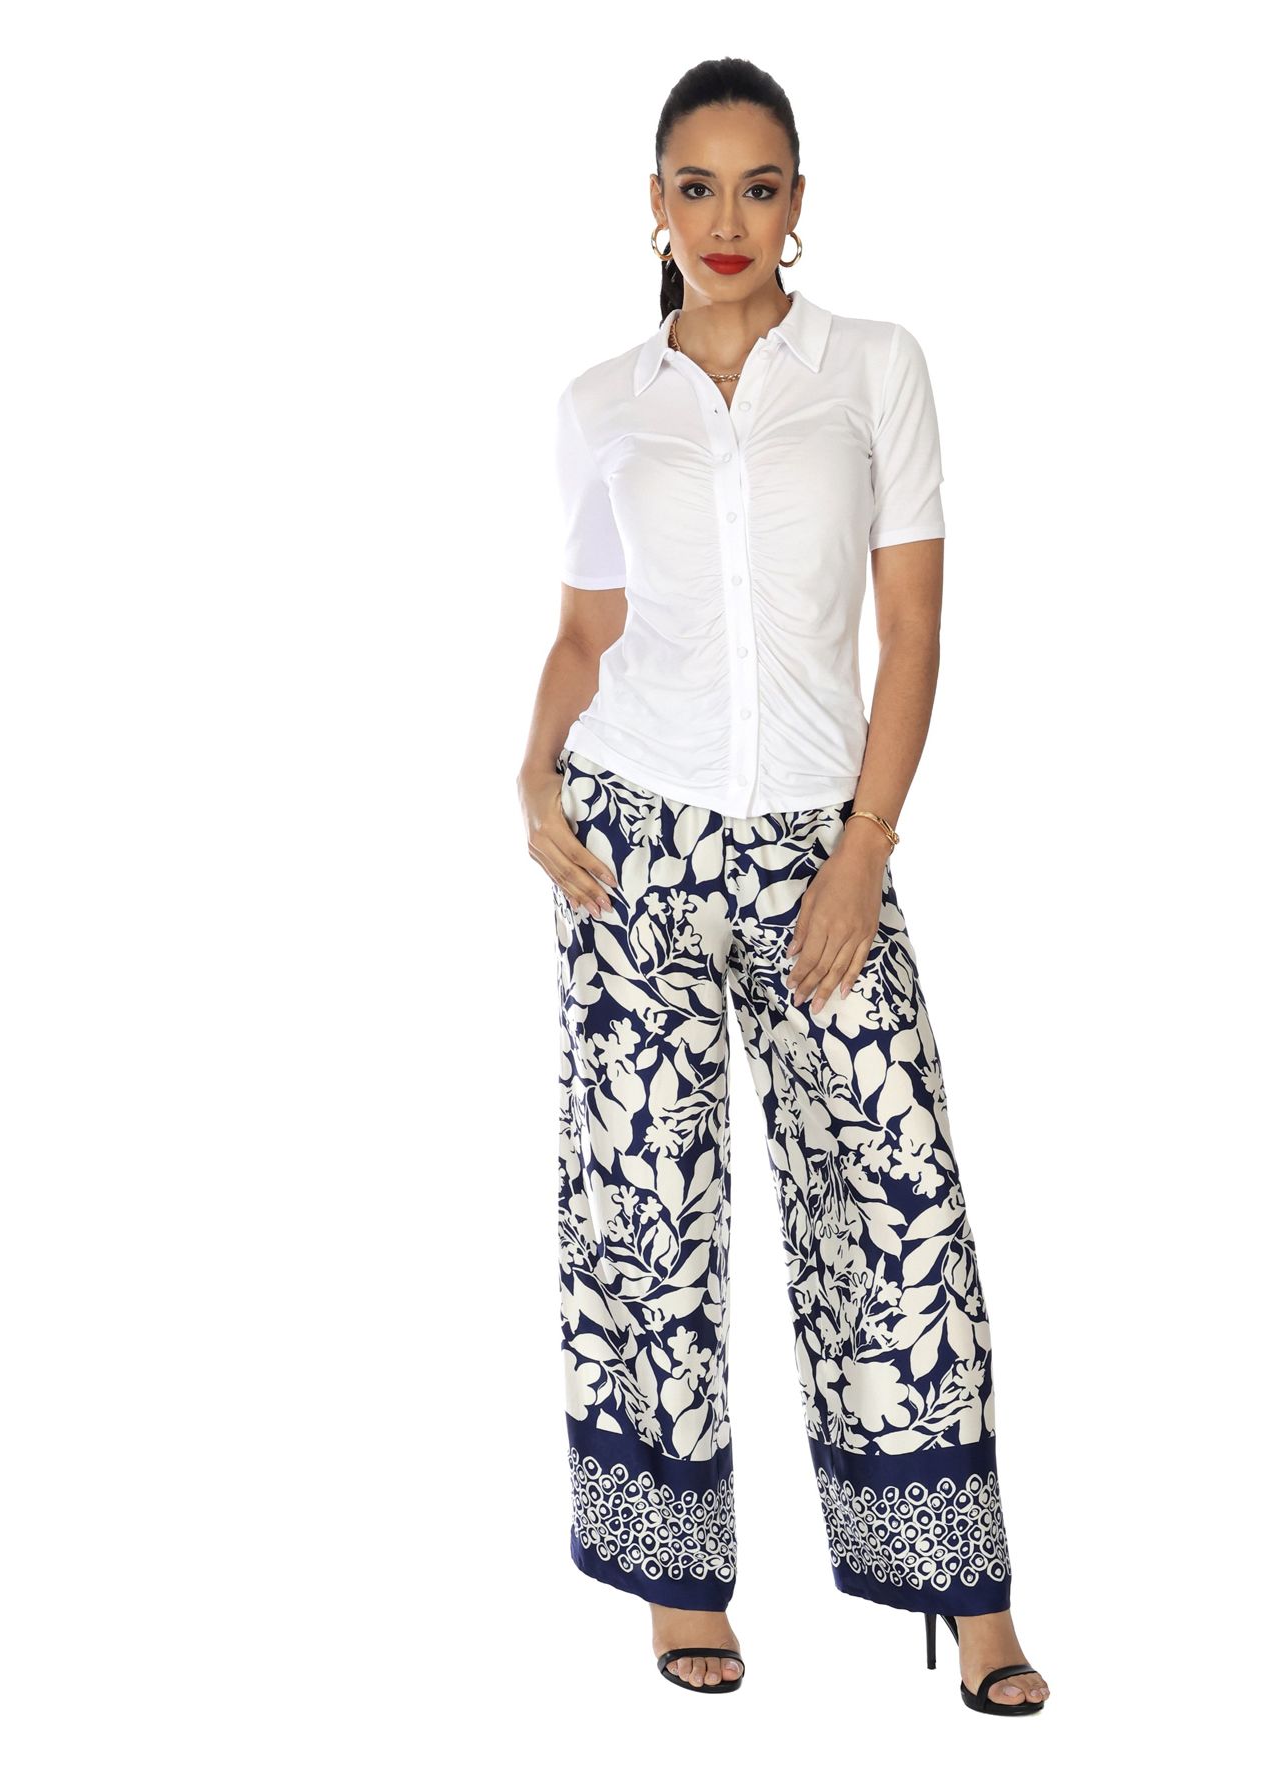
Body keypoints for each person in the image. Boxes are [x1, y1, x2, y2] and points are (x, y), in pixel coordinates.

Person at [516, 57, 1052, 1717]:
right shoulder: (603, 401)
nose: (727, 218)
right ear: (654, 205)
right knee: (646, 1214)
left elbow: (916, 629)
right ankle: (678, 1581)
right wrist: (532, 774)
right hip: (632, 843)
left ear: (800, 203)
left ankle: (967, 1595)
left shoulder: (874, 371)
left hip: (825, 843)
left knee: (895, 1203)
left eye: (759, 186)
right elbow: (588, 630)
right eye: (697, 186)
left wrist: (865, 848)